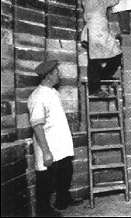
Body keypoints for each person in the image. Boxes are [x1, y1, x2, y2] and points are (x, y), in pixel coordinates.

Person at [27, 60, 81, 217]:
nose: (60, 74)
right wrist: (46, 151)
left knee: (66, 171)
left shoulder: (53, 92)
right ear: (48, 76)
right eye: (57, 72)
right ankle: (44, 211)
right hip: (49, 146)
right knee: (46, 180)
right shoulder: (37, 97)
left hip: (60, 145)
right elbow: (37, 126)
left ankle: (63, 200)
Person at [81, 0, 122, 96]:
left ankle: (103, 78)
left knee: (117, 56)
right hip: (93, 31)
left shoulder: (104, 0)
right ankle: (95, 89)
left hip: (104, 32)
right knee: (94, 60)